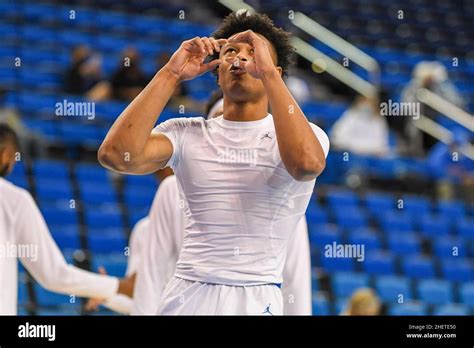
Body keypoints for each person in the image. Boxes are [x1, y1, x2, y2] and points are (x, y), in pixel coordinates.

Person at [98, 11, 329, 315]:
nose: (241, 58)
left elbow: (306, 165)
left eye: (253, 52)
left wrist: (270, 74)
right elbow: (115, 155)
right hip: (186, 295)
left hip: (256, 298)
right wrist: (170, 74)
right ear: (218, 72)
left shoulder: (309, 136)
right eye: (231, 51)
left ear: (275, 70)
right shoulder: (185, 133)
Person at [0, 124, 134, 315]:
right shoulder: (13, 199)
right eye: (13, 157)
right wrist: (119, 286)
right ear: (5, 154)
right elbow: (53, 274)